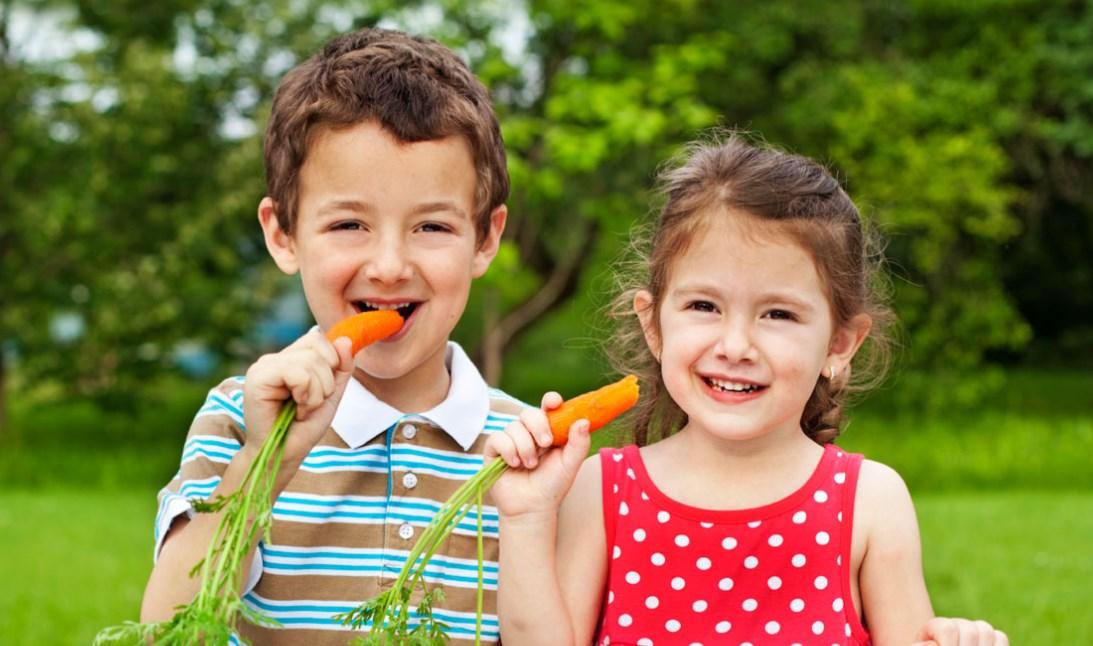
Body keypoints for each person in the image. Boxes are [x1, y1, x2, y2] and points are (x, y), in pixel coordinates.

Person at [487, 135, 1009, 645]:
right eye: (704, 307)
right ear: (654, 324)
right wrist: (527, 516)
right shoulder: (600, 491)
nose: (735, 345)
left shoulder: (872, 503)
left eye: (778, 314)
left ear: (840, 344)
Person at [140, 27, 520, 645]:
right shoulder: (241, 422)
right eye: (349, 224)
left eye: (431, 226)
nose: (391, 265)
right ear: (283, 233)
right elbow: (167, 632)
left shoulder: (525, 450)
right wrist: (267, 464)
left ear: (486, 238)